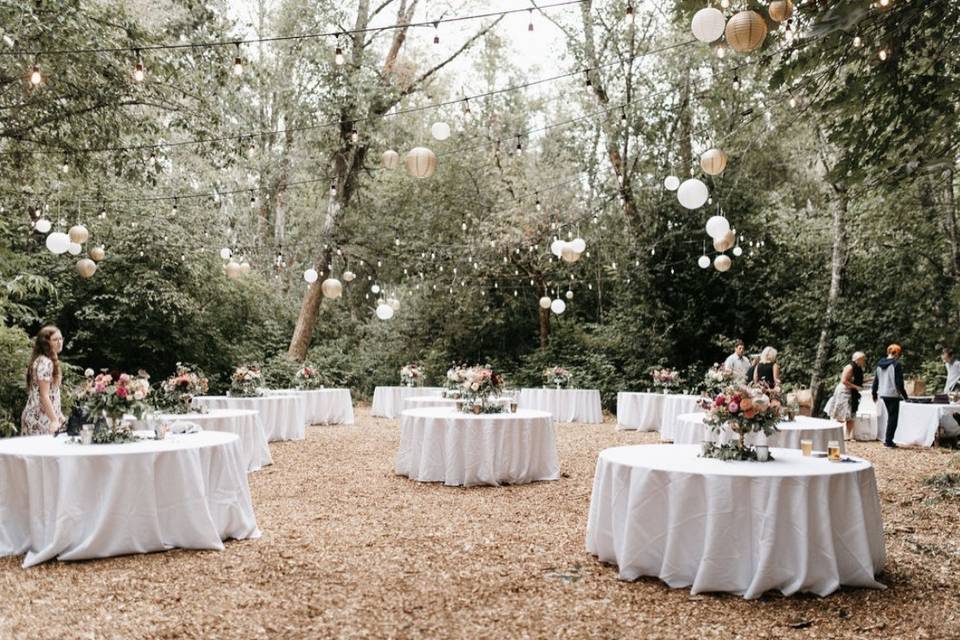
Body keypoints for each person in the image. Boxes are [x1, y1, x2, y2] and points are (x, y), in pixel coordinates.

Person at [20, 326, 65, 436]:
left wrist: (59, 415)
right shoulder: (45, 362)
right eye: (55, 340)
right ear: (46, 343)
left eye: (61, 338)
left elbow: (52, 393)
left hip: (45, 417)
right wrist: (54, 419)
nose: (59, 342)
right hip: (39, 419)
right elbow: (43, 396)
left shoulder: (47, 360)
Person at [871, 344, 909, 448]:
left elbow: (876, 380)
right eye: (899, 354)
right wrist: (906, 397)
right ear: (896, 353)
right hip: (893, 394)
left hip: (883, 393)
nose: (899, 356)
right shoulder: (896, 365)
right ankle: (888, 441)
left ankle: (887, 439)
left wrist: (874, 393)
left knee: (890, 417)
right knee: (893, 418)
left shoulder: (879, 364)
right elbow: (899, 383)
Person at [823, 351, 867, 440]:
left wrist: (870, 379)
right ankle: (837, 435)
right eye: (863, 359)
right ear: (858, 359)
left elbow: (859, 380)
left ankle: (848, 436)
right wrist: (856, 387)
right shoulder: (849, 367)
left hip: (853, 393)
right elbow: (844, 380)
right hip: (844, 392)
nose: (864, 361)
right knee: (841, 414)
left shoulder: (859, 368)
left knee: (851, 414)